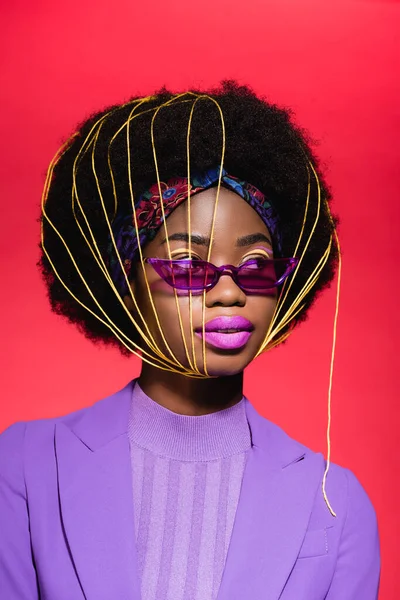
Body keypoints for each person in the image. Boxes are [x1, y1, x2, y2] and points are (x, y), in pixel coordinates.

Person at [0, 81, 380, 599]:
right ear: (123, 281)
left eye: (256, 266)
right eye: (186, 264)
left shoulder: (336, 502)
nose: (228, 291)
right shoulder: (24, 466)